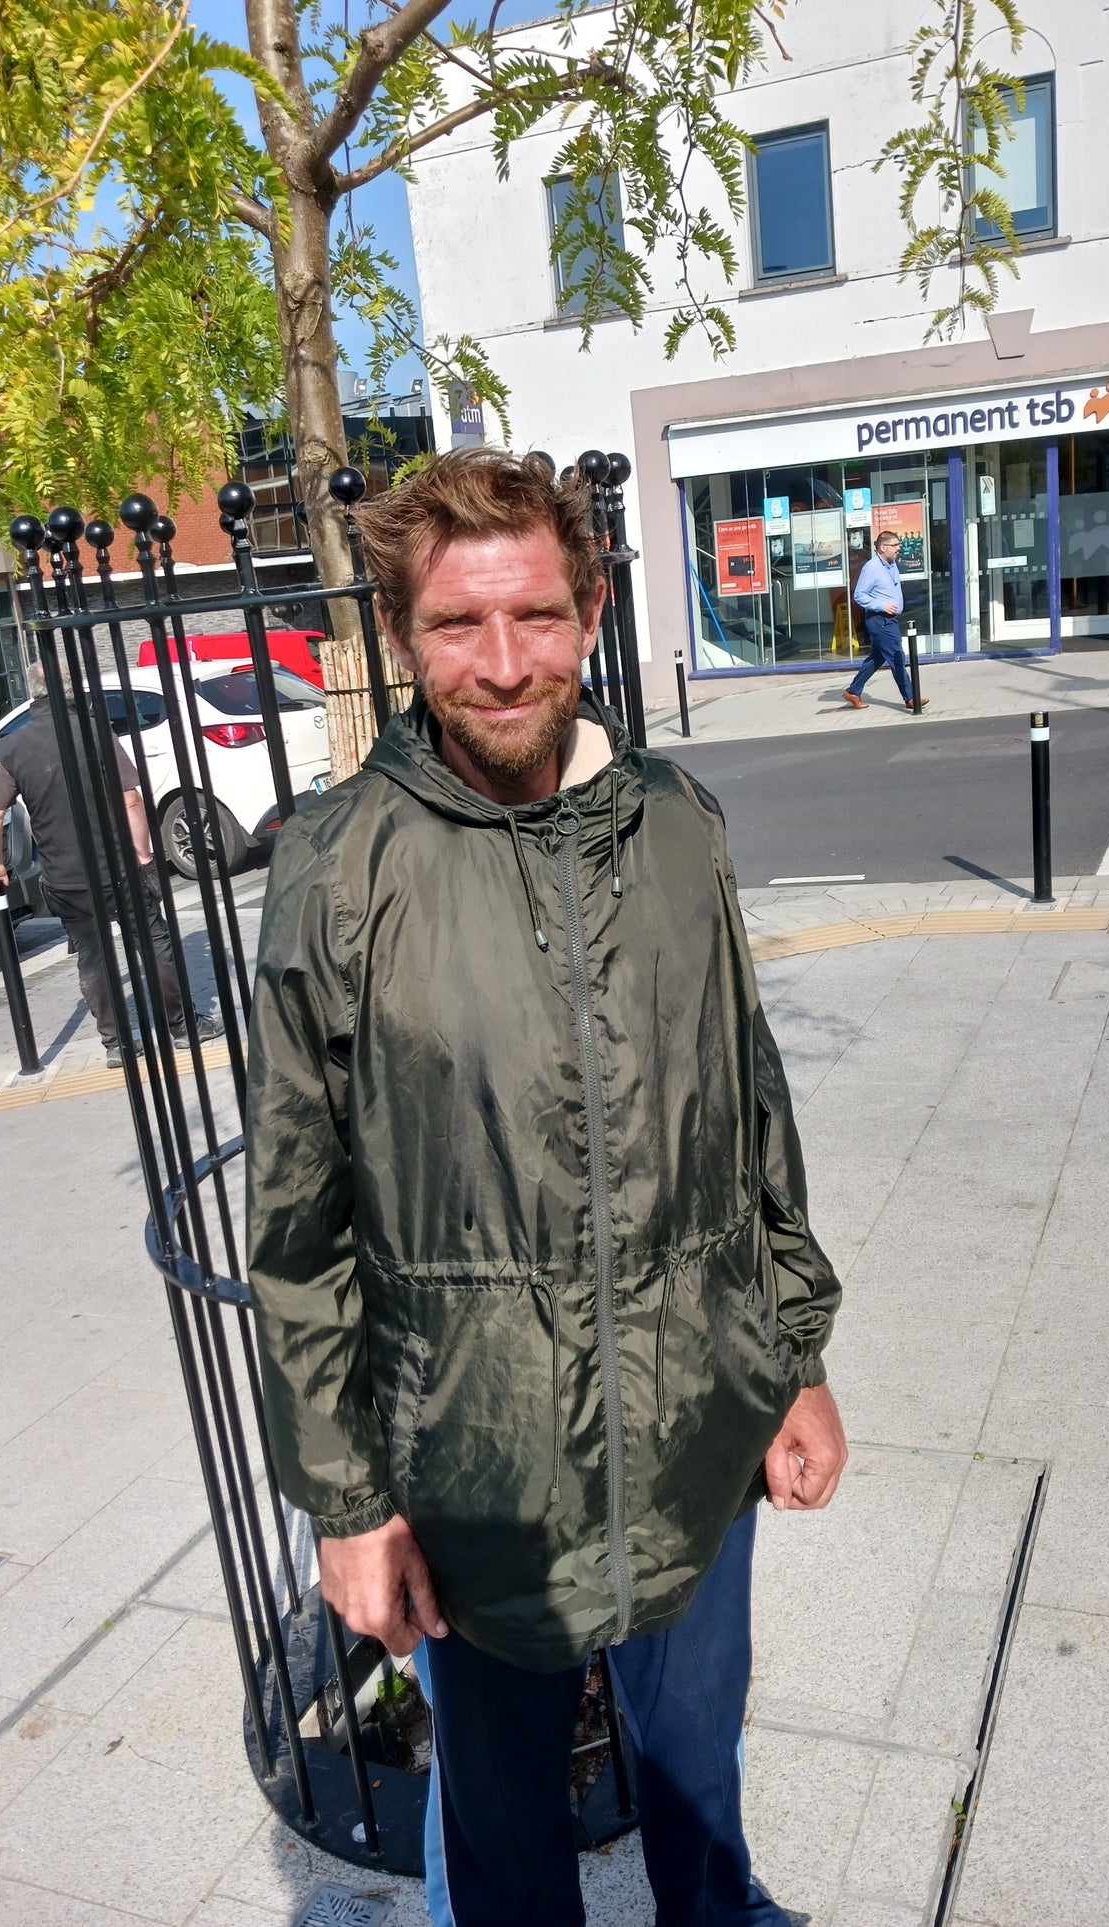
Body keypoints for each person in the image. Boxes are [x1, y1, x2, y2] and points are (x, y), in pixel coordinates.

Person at [245, 448, 847, 1927]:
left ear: (587, 610)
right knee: (507, 1834)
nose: (502, 665)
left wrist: (796, 1361)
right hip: (478, 1472)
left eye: (534, 616)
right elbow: (298, 1216)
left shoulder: (678, 825)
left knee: (697, 1777)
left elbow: (747, 1101)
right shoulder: (336, 866)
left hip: (696, 1418)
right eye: (457, 624)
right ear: (401, 636)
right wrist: (347, 1499)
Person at [0, 660, 220, 1068]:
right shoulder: (95, 732)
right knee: (153, 942)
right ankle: (181, 1027)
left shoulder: (13, 747)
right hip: (119, 870)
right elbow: (130, 799)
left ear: (32, 693)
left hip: (65, 879)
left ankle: (118, 1044)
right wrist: (143, 856)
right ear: (73, 691)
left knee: (93, 956)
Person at [842, 528, 927, 711]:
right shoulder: (871, 568)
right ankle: (911, 697)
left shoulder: (891, 564)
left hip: (890, 619)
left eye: (898, 544)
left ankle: (853, 691)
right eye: (894, 545)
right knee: (897, 655)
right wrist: (882, 605)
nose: (898, 548)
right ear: (882, 547)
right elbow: (859, 595)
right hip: (879, 619)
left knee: (877, 657)